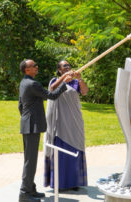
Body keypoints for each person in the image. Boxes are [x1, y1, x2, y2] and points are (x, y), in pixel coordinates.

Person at [18, 59, 68, 202]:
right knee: (30, 161)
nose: (37, 67)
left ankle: (31, 189)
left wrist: (26, 119)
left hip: (28, 124)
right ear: (27, 70)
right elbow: (51, 96)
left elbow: (20, 105)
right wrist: (65, 83)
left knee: (30, 159)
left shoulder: (24, 82)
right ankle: (24, 193)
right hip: (31, 126)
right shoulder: (33, 84)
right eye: (34, 66)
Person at [44, 60, 89, 191]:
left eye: (69, 65)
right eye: (65, 66)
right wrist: (64, 79)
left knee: (75, 150)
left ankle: (74, 182)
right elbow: (52, 89)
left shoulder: (75, 82)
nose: (68, 67)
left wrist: (80, 79)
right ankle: (59, 183)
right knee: (61, 152)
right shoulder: (54, 81)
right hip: (60, 122)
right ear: (59, 70)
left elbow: (85, 92)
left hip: (75, 121)